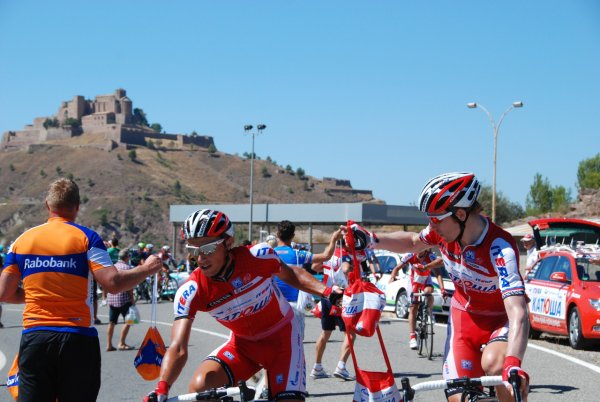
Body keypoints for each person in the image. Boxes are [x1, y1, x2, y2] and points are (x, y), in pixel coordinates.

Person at [346, 172, 530, 402]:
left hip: (499, 320)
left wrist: (513, 363)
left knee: (495, 365)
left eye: (436, 218)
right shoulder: (442, 232)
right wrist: (372, 239)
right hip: (464, 319)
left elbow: (517, 310)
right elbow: (413, 242)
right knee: (458, 398)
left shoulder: (499, 247)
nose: (431, 225)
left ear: (461, 214)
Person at [143, 209, 341, 402]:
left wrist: (328, 292)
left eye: (208, 248)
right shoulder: (191, 290)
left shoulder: (258, 256)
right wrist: (162, 387)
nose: (200, 258)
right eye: (193, 250)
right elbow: (178, 348)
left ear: (228, 242)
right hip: (243, 347)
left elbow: (293, 274)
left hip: (282, 341)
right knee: (200, 386)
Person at [0, 178, 163, 402]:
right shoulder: (87, 238)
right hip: (77, 338)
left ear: (48, 206)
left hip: (35, 337)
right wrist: (146, 268)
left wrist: (43, 294)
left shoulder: (21, 241)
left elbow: (5, 294)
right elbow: (112, 283)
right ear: (77, 207)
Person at [273, 220, 343, 336]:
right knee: (296, 345)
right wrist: (334, 239)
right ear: (293, 236)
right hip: (295, 306)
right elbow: (325, 256)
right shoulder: (297, 254)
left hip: (275, 306)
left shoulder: (271, 254)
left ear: (277, 234)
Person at [310, 242, 356, 381]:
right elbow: (346, 268)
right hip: (340, 297)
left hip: (326, 295)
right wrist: (352, 268)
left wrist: (327, 266)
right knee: (350, 334)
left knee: (325, 332)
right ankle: (341, 367)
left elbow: (314, 267)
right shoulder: (345, 255)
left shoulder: (328, 254)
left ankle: (317, 367)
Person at [389, 249, 445, 349]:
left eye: (422, 247)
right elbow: (397, 267)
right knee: (413, 307)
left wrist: (442, 289)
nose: (419, 249)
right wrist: (393, 276)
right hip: (413, 281)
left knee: (428, 292)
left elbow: (438, 274)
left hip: (426, 280)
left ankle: (429, 312)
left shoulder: (431, 256)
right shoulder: (410, 255)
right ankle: (412, 337)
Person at [106, 249, 136, 351]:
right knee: (129, 321)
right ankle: (121, 343)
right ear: (127, 257)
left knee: (112, 322)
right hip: (123, 298)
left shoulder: (112, 267)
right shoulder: (127, 268)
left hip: (112, 297)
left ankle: (109, 345)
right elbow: (129, 286)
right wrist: (132, 298)